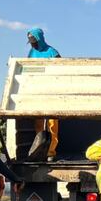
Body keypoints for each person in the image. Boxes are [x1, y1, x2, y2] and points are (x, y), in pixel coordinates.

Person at [26, 28, 62, 158]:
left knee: (52, 123)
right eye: (31, 42)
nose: (32, 44)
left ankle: (51, 152)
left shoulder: (52, 52)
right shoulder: (31, 53)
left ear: (39, 39)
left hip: (52, 91)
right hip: (37, 92)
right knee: (39, 122)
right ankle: (39, 150)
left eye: (34, 42)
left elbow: (61, 70)